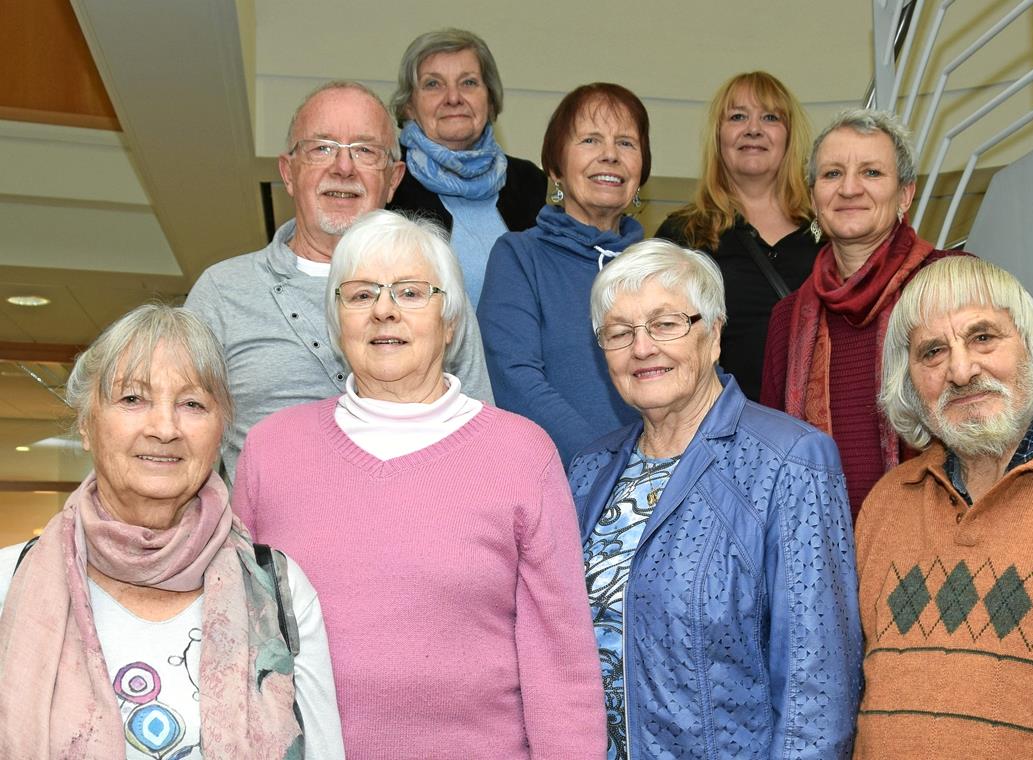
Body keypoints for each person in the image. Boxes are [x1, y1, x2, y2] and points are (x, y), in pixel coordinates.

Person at [232, 211, 606, 759]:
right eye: (360, 295)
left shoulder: (523, 453)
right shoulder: (270, 451)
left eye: (410, 292)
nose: (384, 310)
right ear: (337, 322)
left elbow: (561, 660)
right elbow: (240, 644)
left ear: (450, 321)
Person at [0, 304, 343, 759]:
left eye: (192, 404)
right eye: (132, 399)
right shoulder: (8, 581)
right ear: (86, 424)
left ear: (220, 430)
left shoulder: (277, 587)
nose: (164, 428)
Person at [570, 239, 862, 759]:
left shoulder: (790, 462)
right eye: (620, 332)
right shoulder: (588, 471)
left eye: (666, 324)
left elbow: (816, 689)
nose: (642, 348)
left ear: (714, 335)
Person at [856, 255, 1033, 758]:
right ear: (910, 382)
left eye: (983, 337)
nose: (961, 370)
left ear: (1031, 348)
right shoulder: (886, 503)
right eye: (933, 352)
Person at [186, 80, 493, 483]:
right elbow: (183, 440)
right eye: (322, 148)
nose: (343, 168)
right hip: (261, 539)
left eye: (365, 150)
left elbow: (481, 437)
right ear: (288, 172)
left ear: (393, 179)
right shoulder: (222, 293)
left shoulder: (434, 287)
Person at [760, 107, 964, 519]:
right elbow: (770, 456)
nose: (849, 189)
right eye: (832, 174)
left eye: (871, 173)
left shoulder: (955, 284)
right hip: (822, 562)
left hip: (939, 548)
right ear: (814, 196)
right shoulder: (786, 319)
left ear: (905, 194)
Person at [478, 83, 649, 466]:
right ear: (555, 168)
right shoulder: (519, 257)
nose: (610, 155)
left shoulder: (663, 268)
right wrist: (609, 466)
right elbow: (516, 381)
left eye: (626, 143)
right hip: (562, 482)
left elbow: (700, 378)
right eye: (590, 140)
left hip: (666, 487)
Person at [656, 71, 821, 399]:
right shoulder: (684, 235)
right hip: (722, 433)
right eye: (737, 116)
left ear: (790, 136)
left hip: (817, 430)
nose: (754, 129)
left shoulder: (828, 232)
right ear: (718, 136)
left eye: (770, 117)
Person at [387, 28, 547, 308]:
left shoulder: (531, 182)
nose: (453, 98)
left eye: (469, 83)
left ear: (491, 99)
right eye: (433, 84)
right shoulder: (389, 180)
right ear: (409, 106)